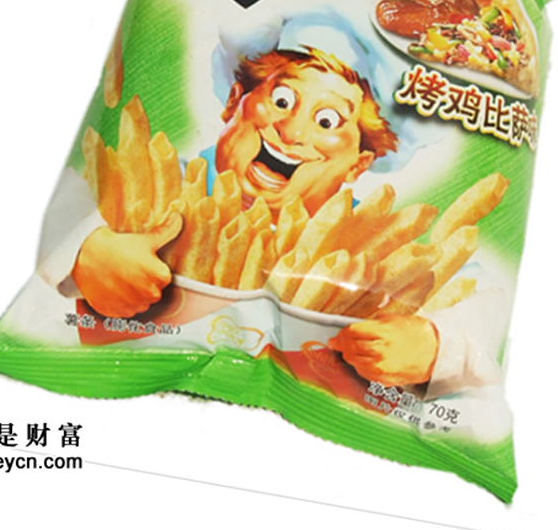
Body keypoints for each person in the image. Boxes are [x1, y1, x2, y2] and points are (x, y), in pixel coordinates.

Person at [37, 20, 506, 394]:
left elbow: (484, 300)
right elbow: (74, 198)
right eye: (282, 99)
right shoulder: (153, 185)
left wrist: (435, 345)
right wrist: (87, 248)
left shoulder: (375, 250)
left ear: (358, 164)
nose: (291, 132)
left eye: (328, 121)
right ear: (235, 100)